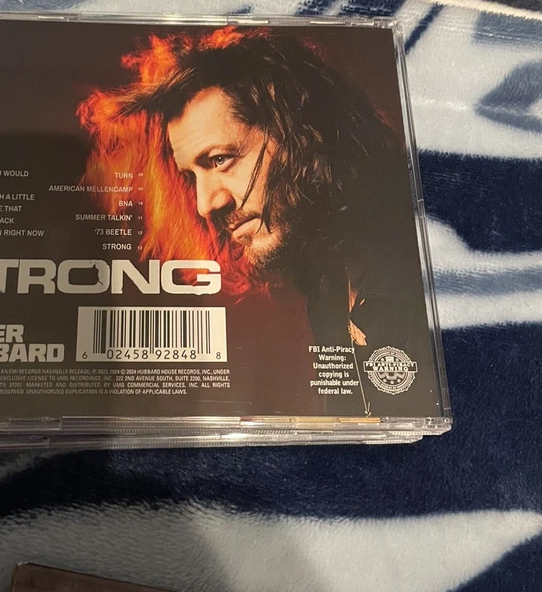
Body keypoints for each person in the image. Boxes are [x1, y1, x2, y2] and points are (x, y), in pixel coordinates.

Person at [79, 26, 423, 354]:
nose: (205, 205)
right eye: (191, 176)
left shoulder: (421, 264)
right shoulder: (328, 286)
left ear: (298, 130)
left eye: (220, 159)